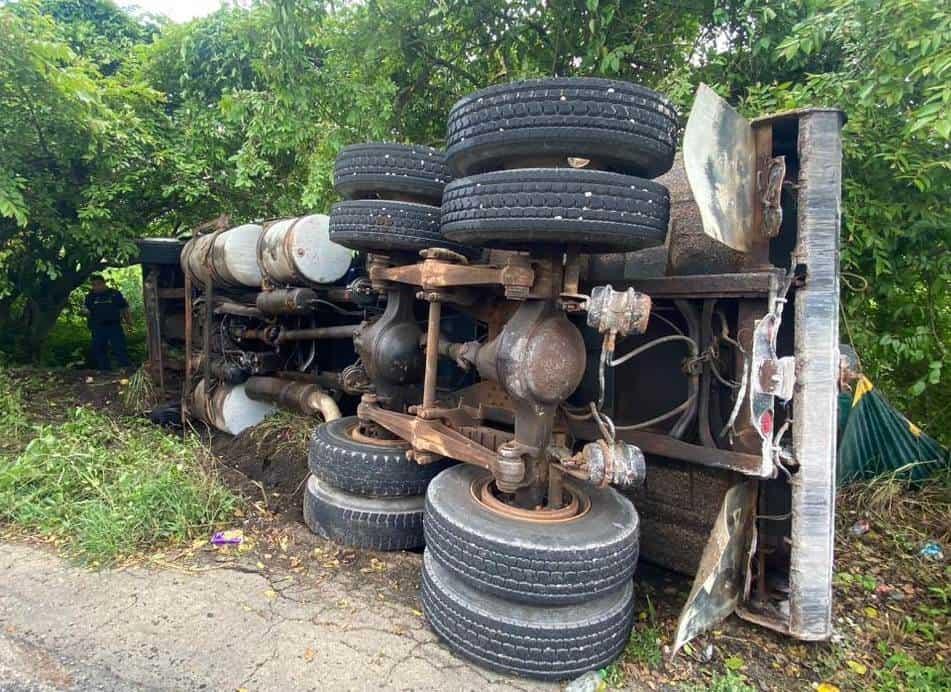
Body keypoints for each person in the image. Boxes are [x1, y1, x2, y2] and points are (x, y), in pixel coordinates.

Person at [84, 274, 132, 371]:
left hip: (114, 325)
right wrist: (85, 313)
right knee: (99, 349)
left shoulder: (114, 294)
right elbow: (87, 310)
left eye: (98, 284)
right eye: (93, 285)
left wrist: (129, 323)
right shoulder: (90, 296)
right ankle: (104, 370)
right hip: (97, 327)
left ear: (103, 283)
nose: (96, 287)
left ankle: (125, 368)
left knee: (119, 347)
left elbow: (124, 308)